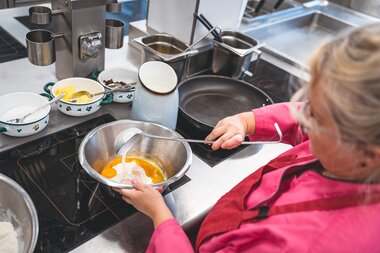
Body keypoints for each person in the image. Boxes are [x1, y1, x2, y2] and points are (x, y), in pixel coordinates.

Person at [114, 23, 380, 252]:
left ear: (368, 155)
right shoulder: (351, 152)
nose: (304, 115)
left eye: (316, 115)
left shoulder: (303, 243)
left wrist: (160, 215)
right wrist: (247, 120)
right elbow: (301, 120)